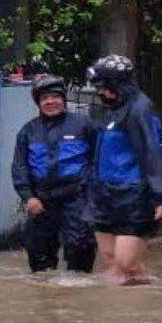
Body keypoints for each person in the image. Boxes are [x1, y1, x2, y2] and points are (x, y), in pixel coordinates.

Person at [86, 54, 162, 285]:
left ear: (117, 85)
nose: (101, 94)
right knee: (110, 260)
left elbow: (151, 151)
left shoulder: (140, 108)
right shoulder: (111, 110)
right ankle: (117, 313)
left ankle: (143, 307)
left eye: (104, 88)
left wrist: (160, 195)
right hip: (104, 193)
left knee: (127, 264)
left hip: (133, 195)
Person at [10, 73, 96, 273]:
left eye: (55, 97)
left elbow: (98, 160)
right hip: (42, 201)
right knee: (39, 258)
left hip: (77, 200)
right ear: (38, 103)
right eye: (44, 98)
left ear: (63, 99)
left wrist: (93, 195)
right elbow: (20, 167)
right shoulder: (28, 132)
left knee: (80, 249)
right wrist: (28, 197)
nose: (50, 102)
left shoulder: (84, 125)